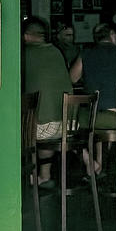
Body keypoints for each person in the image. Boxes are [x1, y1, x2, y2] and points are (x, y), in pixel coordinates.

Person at [22, 16, 71, 188]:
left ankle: (21, 176)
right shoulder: (56, 52)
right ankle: (44, 175)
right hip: (69, 126)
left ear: (26, 36)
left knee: (25, 123)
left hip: (43, 129)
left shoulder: (25, 55)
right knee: (46, 117)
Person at [70, 22, 116, 129]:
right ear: (112, 35)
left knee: (77, 115)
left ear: (96, 38)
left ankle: (91, 145)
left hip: (100, 117)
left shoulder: (86, 53)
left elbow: (72, 78)